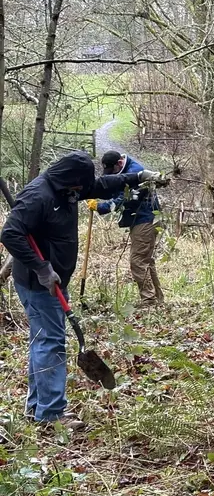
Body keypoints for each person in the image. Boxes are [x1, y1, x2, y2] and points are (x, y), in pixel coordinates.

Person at [1, 151, 166, 425]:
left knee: (43, 340)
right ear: (69, 180)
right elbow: (10, 234)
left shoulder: (69, 186)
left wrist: (138, 177)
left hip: (54, 279)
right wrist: (43, 269)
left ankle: (36, 408)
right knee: (51, 343)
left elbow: (101, 186)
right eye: (80, 186)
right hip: (38, 283)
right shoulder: (38, 196)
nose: (82, 190)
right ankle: (51, 415)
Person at [91, 151, 164, 307]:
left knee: (137, 261)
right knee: (146, 260)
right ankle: (156, 298)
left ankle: (149, 300)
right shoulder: (124, 171)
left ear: (119, 163)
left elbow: (125, 199)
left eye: (113, 171)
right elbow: (114, 188)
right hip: (142, 220)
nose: (113, 174)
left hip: (145, 219)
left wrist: (101, 207)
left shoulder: (136, 173)